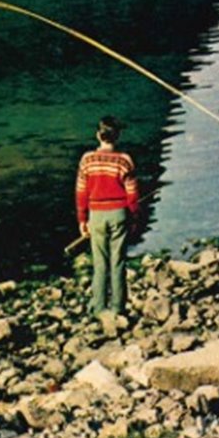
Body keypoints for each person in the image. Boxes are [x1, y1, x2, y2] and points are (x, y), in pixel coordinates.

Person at [76, 116, 139, 321]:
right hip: (119, 214)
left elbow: (81, 193)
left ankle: (99, 307)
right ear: (117, 136)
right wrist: (133, 218)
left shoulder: (87, 160)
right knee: (118, 262)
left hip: (96, 215)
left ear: (98, 135)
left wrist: (82, 219)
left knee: (100, 263)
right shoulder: (125, 160)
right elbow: (132, 195)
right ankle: (118, 307)